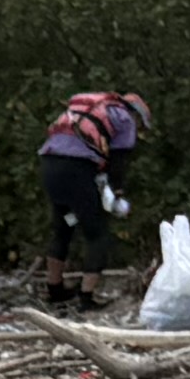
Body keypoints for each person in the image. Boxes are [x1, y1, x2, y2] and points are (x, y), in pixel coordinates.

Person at [32, 89, 148, 298]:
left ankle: (55, 289)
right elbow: (118, 163)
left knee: (65, 225)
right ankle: (87, 297)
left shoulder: (90, 111)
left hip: (50, 167)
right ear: (137, 115)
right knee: (98, 234)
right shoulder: (125, 119)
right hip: (77, 172)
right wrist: (118, 197)